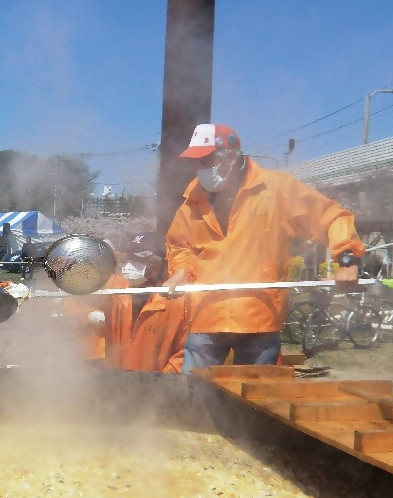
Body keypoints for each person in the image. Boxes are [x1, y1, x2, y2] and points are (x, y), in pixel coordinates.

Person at [165, 123, 364, 371]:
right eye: (195, 162)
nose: (200, 168)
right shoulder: (191, 202)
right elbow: (180, 246)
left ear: (231, 155)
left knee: (254, 399)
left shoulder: (276, 189)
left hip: (258, 317)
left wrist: (346, 260)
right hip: (207, 315)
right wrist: (182, 271)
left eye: (206, 159)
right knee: (193, 396)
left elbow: (330, 217)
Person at [122, 232, 190, 373]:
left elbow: (183, 353)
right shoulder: (117, 293)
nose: (130, 265)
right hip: (117, 383)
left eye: (140, 259)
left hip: (156, 387)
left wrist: (160, 383)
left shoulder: (176, 304)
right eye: (129, 257)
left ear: (159, 264)